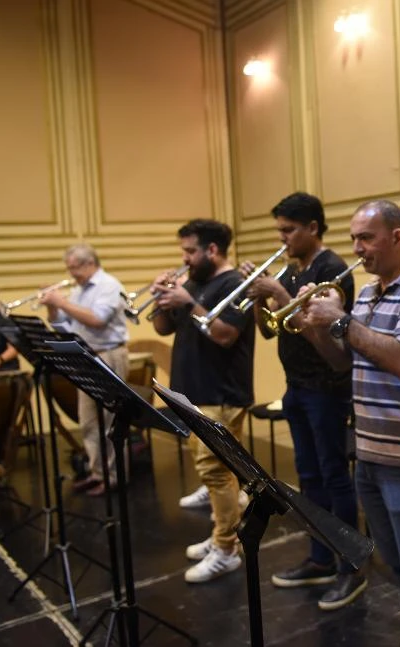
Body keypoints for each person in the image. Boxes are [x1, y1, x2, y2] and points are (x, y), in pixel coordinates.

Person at [299, 200, 400, 645]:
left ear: (397, 237)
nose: (357, 248)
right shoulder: (370, 291)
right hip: (370, 453)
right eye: (353, 238)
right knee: (396, 565)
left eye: (365, 238)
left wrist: (341, 320)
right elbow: (343, 362)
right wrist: (317, 325)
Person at [238, 192, 365, 610]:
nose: (284, 238)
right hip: (296, 387)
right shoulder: (293, 270)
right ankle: (320, 556)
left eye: (289, 230)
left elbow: (325, 331)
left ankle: (350, 566)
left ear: (313, 227)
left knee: (333, 475)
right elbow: (271, 330)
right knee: (308, 478)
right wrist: (261, 297)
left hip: (326, 389)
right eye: (280, 231)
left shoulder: (332, 270)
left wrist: (275, 290)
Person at [151, 219, 255, 584]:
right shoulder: (193, 281)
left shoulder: (236, 285)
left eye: (191, 251)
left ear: (212, 250)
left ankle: (227, 549)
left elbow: (225, 335)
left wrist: (190, 302)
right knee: (214, 474)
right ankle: (219, 537)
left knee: (216, 473)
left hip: (221, 394)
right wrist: (163, 299)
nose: (185, 258)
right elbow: (163, 328)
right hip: (193, 391)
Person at [40, 244, 129, 498]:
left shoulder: (109, 285)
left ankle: (114, 477)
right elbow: (65, 329)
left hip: (109, 354)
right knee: (89, 422)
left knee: (110, 421)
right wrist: (53, 308)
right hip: (86, 357)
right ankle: (97, 473)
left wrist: (62, 302)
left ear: (89, 263)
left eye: (74, 268)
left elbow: (97, 320)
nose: (71, 274)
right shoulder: (79, 290)